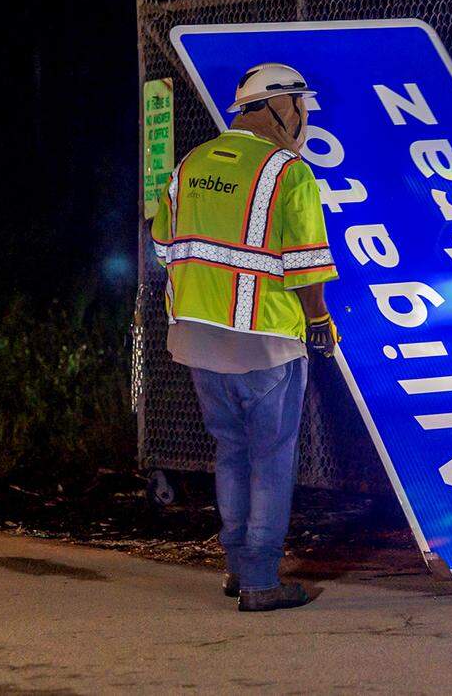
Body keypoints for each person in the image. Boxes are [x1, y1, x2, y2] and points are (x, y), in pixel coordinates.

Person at [151, 62, 339, 612]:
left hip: (195, 338)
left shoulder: (191, 163)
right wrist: (321, 323)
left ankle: (236, 569)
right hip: (265, 342)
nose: (304, 116)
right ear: (280, 106)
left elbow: (164, 244)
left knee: (229, 451)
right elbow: (306, 267)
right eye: (300, 105)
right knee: (271, 457)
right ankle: (261, 581)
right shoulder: (288, 172)